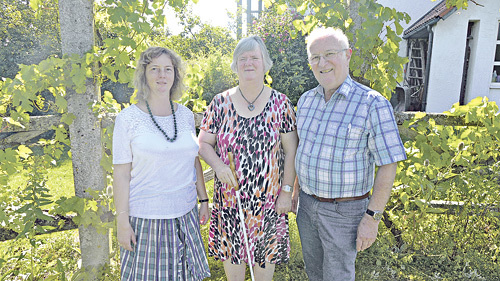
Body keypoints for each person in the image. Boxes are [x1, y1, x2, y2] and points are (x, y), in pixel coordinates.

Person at [293, 27, 407, 281]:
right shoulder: (306, 101)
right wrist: (295, 190)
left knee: (337, 276)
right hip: (307, 206)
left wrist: (372, 218)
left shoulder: (372, 103)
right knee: (314, 272)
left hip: (345, 212)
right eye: (315, 57)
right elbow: (303, 150)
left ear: (348, 55)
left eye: (330, 53)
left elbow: (388, 165)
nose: (322, 63)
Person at [198, 35, 298, 281]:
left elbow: (292, 151)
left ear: (265, 64)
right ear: (235, 65)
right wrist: (219, 166)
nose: (249, 63)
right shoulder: (220, 103)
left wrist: (287, 191)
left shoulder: (281, 103)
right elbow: (203, 144)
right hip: (230, 204)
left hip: (268, 204)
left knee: (263, 275)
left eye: (255, 58)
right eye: (243, 58)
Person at [112, 46, 211, 281]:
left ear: (175, 75)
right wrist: (122, 222)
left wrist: (204, 200)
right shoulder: (128, 119)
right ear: (144, 74)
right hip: (147, 219)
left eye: (168, 69)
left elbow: (192, 160)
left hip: (184, 215)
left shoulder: (186, 115)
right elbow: (121, 175)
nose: (161, 75)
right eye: (154, 69)